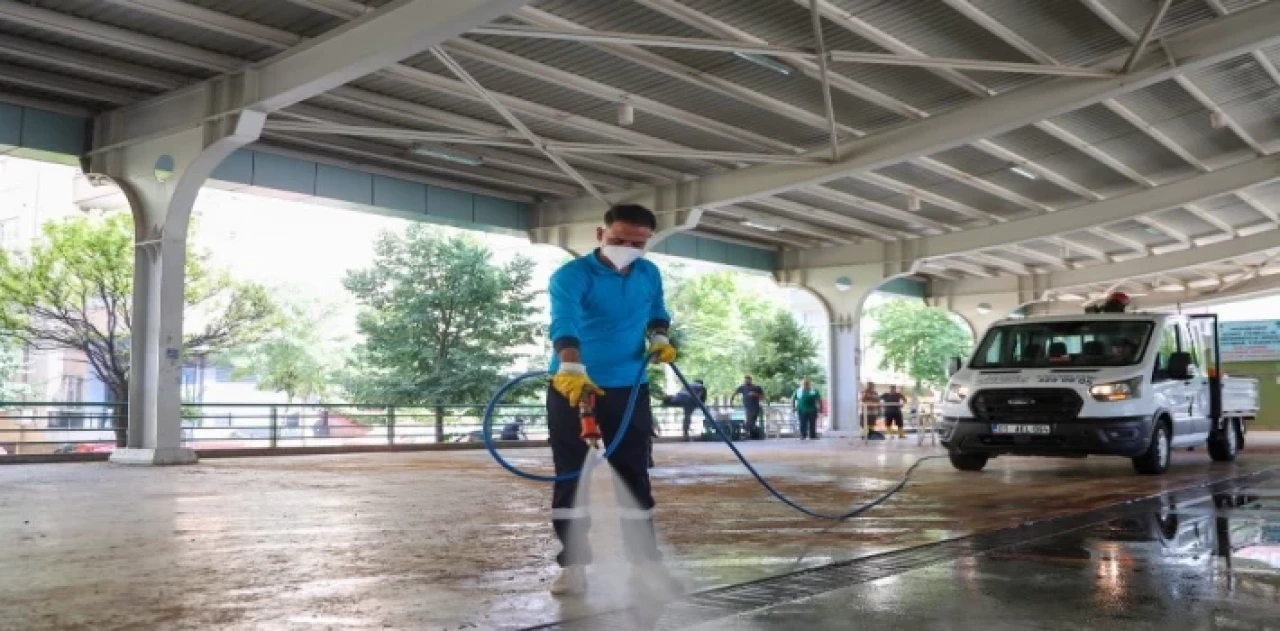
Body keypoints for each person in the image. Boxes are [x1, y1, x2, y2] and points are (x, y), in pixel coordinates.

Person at [545, 204, 679, 597]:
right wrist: (570, 366)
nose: (627, 248)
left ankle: (643, 561)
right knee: (571, 476)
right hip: (574, 385)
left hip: (629, 385)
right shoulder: (571, 276)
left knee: (633, 474)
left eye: (637, 243)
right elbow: (563, 321)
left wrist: (659, 335)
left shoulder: (648, 273)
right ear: (600, 235)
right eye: (618, 240)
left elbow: (657, 310)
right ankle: (573, 566)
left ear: (647, 241)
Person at [731, 375, 766, 440]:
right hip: (747, 407)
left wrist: (755, 394)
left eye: (748, 380)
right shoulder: (742, 387)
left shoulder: (757, 387)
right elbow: (734, 393)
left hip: (755, 407)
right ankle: (749, 434)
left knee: (751, 421)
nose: (746, 381)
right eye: (745, 380)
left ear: (751, 380)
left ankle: (749, 433)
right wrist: (731, 402)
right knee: (750, 421)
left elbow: (763, 397)